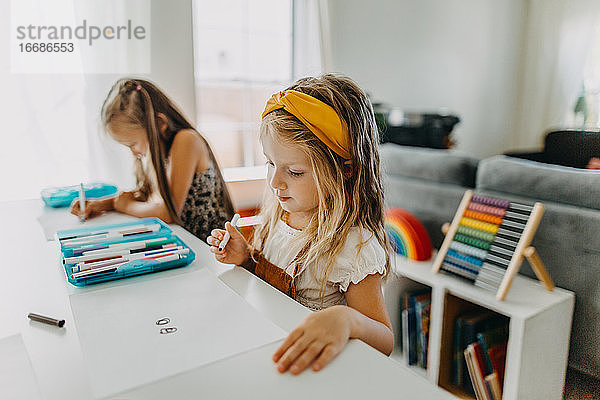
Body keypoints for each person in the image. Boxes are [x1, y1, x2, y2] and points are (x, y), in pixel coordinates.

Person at [207, 74, 393, 375]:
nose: (275, 182)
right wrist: (246, 258)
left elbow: (385, 340)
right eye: (270, 164)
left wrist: (347, 320)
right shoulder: (281, 213)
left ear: (345, 169)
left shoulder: (354, 244)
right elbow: (271, 284)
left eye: (294, 172)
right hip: (270, 349)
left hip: (317, 371)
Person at [71, 78, 234, 240]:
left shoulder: (186, 140)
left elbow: (168, 213)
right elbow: (146, 194)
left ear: (159, 123)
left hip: (211, 251)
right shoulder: (159, 152)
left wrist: (123, 205)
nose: (134, 153)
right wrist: (102, 204)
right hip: (184, 243)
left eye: (133, 144)